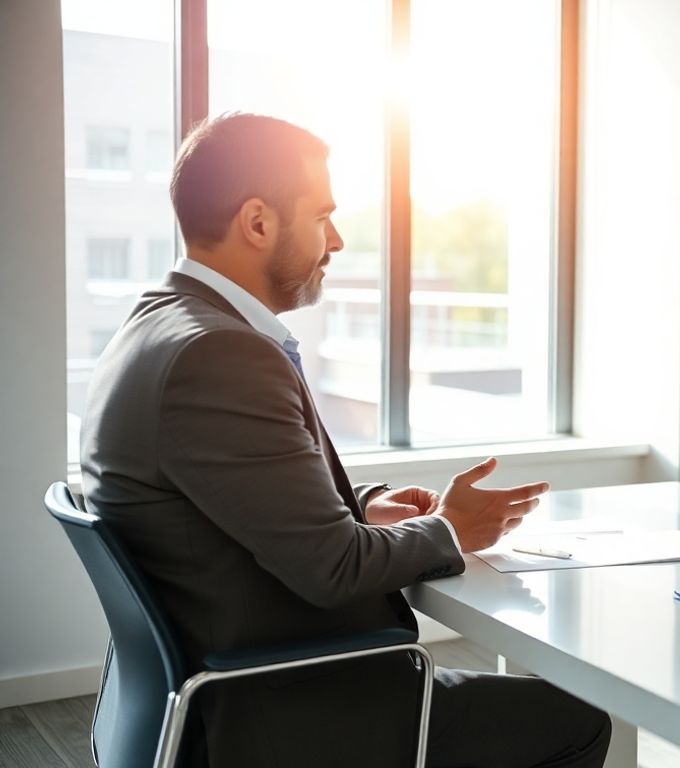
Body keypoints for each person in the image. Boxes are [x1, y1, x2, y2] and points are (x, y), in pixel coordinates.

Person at [80, 113, 610, 767]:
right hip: (286, 710)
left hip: (215, 691)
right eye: (322, 215)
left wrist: (361, 506)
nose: (335, 239)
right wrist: (450, 529)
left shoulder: (159, 324)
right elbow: (333, 569)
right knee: (576, 721)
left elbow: (222, 498)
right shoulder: (220, 355)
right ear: (257, 222)